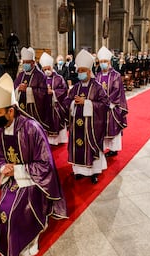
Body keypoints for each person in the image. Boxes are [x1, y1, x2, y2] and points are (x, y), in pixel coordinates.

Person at [0, 74, 67, 256]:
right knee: (4, 210)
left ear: (11, 111)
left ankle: (26, 245)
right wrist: (4, 165)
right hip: (11, 177)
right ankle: (13, 249)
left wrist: (19, 169)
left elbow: (45, 164)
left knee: (13, 212)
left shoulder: (32, 128)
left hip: (32, 180)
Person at [63, 49, 110, 184]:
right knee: (77, 146)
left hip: (91, 127)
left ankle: (94, 172)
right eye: (79, 71)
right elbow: (67, 101)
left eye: (83, 71)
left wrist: (87, 103)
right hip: (76, 127)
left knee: (90, 147)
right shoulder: (76, 87)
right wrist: (73, 103)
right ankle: (79, 171)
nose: (80, 74)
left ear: (89, 72)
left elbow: (105, 104)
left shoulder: (97, 87)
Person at [95, 46, 128, 157]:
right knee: (102, 129)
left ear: (109, 62)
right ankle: (103, 147)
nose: (103, 63)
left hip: (112, 107)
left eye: (105, 61)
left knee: (112, 128)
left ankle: (114, 149)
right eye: (101, 62)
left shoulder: (116, 75)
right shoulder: (97, 76)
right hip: (101, 108)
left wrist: (107, 98)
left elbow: (117, 90)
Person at [13, 47, 49, 131]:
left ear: (33, 63)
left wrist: (29, 90)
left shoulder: (40, 75)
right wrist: (18, 89)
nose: (25, 64)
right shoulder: (21, 75)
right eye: (24, 62)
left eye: (27, 62)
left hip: (34, 110)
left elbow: (43, 92)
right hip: (21, 107)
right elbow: (14, 87)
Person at [39, 52, 69, 145]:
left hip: (56, 105)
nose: (47, 71)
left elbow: (64, 89)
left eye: (48, 68)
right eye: (45, 69)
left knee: (57, 120)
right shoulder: (40, 78)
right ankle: (48, 140)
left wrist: (54, 92)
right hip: (45, 105)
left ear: (52, 67)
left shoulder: (59, 78)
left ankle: (59, 140)